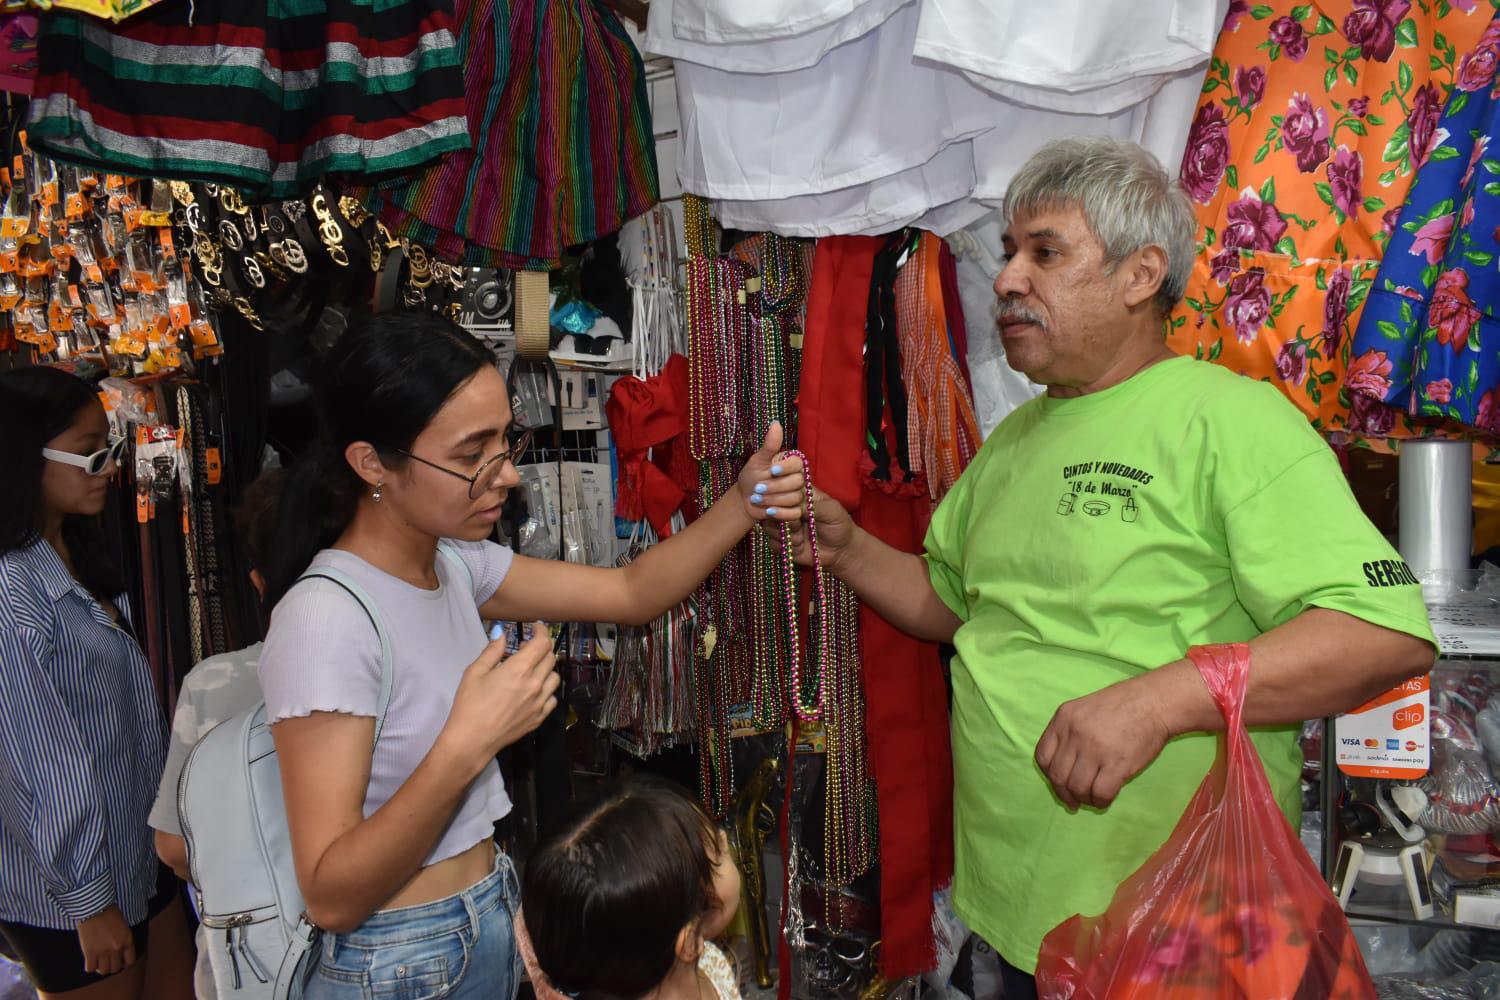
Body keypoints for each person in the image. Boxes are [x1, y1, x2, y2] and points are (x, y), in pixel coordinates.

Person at [787, 137, 1437, 997]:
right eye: (1010, 252)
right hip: (1011, 916)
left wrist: (1160, 701)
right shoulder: (1016, 439)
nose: (1006, 279)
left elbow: (1384, 634)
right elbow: (952, 603)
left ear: (1141, 274)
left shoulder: (1232, 423)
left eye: (1045, 252)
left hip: (1174, 939)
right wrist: (847, 549)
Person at [257, 312, 801, 999]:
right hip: (399, 959)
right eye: (471, 455)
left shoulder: (453, 564)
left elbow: (631, 592)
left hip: (480, 917)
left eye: (504, 440)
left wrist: (745, 502)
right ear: (372, 464)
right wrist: (470, 741)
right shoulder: (325, 618)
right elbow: (331, 895)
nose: (508, 475)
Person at [0, 366, 195, 1000]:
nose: (110, 468)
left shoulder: (74, 551)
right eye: (90, 455)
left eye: (109, 449)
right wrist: (88, 900)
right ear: (25, 459)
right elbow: (38, 762)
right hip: (73, 893)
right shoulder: (11, 591)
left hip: (136, 852)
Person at [147, 467, 285, 1000]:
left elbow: (173, 845)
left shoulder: (212, 684)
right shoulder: (397, 672)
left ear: (257, 582)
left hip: (249, 964)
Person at [518, 776, 743, 1000]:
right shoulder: (710, 963)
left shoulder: (707, 963)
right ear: (689, 942)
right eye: (718, 851)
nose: (724, 838)